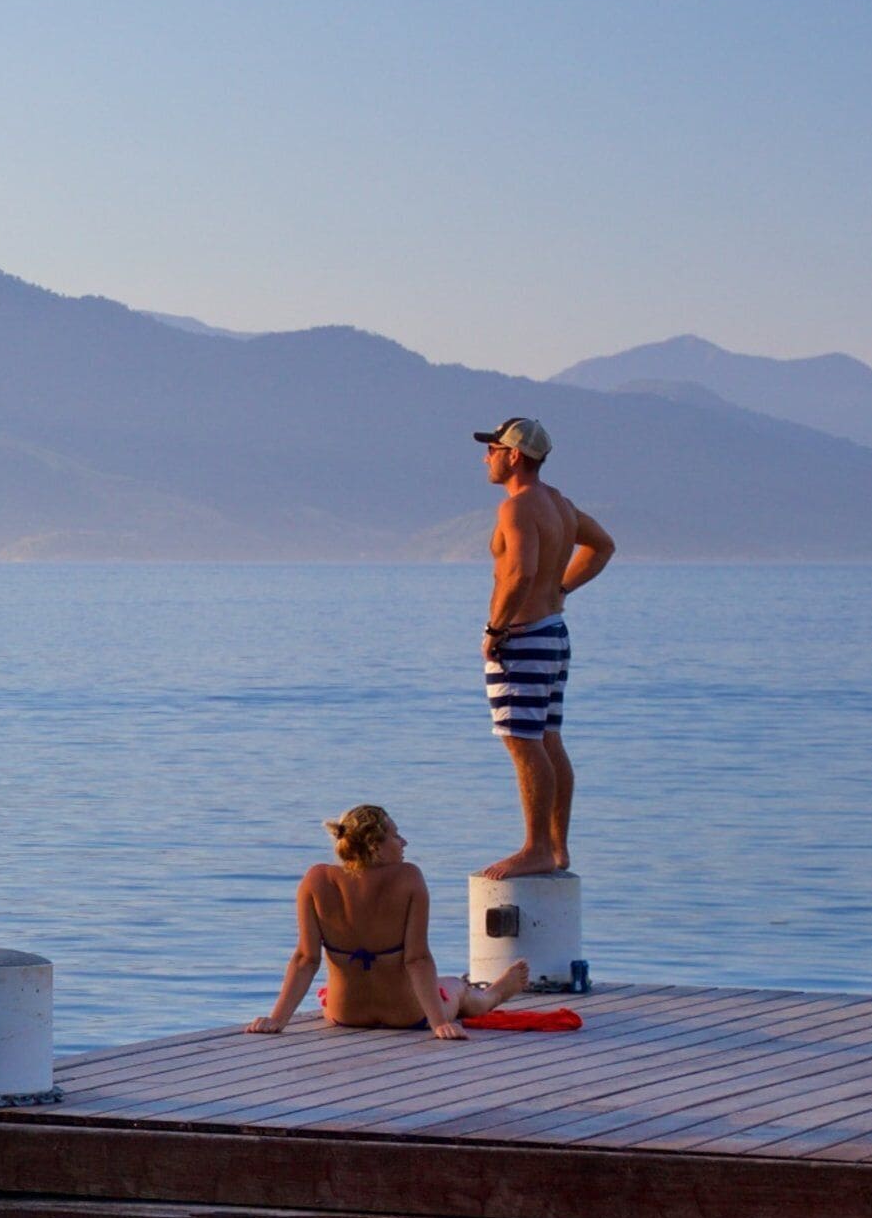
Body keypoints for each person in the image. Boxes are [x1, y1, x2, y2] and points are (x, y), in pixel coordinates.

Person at [245, 805, 529, 1040]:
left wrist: (276, 1020)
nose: (404, 842)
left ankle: (482, 994)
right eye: (396, 836)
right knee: (455, 986)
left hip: (346, 1014)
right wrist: (439, 1024)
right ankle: (492, 996)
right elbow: (417, 959)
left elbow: (306, 959)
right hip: (407, 1014)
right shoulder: (408, 878)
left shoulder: (317, 880)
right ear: (375, 846)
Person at [472, 416, 615, 880]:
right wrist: (562, 589)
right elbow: (602, 545)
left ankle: (535, 848)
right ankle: (556, 847)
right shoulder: (560, 505)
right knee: (548, 738)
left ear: (514, 455)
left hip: (524, 636)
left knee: (522, 741)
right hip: (553, 631)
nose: (486, 458)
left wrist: (495, 630)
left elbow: (521, 573)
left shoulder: (517, 509)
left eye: (493, 450)